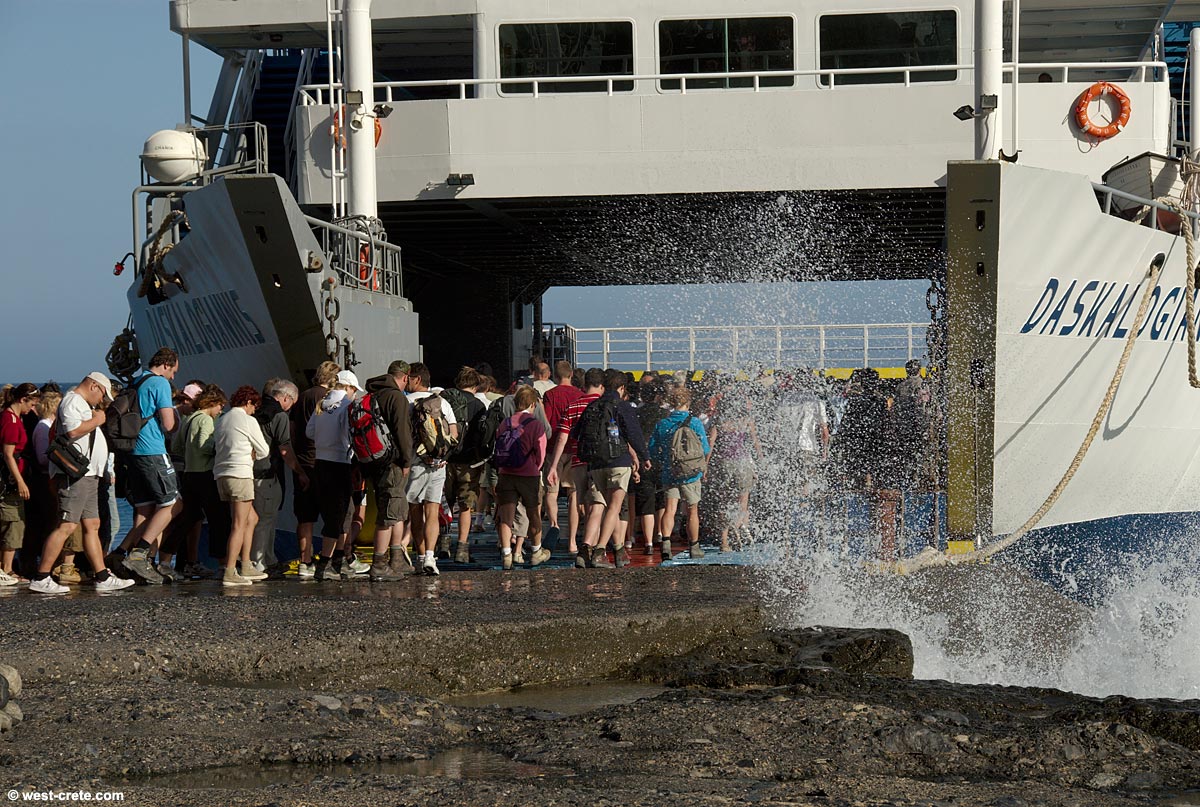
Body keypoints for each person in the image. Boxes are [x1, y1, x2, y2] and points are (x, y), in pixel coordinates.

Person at [31, 374, 134, 594]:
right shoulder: (72, 401)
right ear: (93, 385)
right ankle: (41, 576)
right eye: (102, 394)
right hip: (74, 475)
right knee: (67, 524)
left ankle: (102, 575)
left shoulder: (82, 404)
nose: (101, 400)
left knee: (92, 524)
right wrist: (98, 420)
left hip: (89, 476)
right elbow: (72, 430)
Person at [116, 347, 184, 585]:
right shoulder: (160, 384)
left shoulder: (137, 380)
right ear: (166, 365)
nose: (173, 377)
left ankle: (132, 559)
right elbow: (167, 424)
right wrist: (176, 422)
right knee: (173, 503)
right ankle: (140, 554)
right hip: (153, 450)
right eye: (173, 371)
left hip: (132, 452)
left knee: (145, 509)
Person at [162, 384, 228, 579]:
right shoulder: (206, 420)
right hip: (205, 475)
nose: (220, 411)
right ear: (213, 403)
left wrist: (190, 455)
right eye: (220, 406)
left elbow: (176, 446)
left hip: (189, 474)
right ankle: (223, 564)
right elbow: (204, 446)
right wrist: (219, 447)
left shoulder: (189, 419)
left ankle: (164, 560)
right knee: (219, 519)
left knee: (186, 520)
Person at [306, 370, 362, 581]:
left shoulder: (322, 404)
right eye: (354, 389)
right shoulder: (347, 406)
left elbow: (309, 432)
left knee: (340, 512)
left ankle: (336, 560)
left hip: (320, 462)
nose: (354, 394)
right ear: (347, 387)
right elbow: (347, 435)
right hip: (340, 463)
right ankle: (326, 564)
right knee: (338, 515)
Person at [361, 360, 415, 581]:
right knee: (388, 513)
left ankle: (396, 560)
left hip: (373, 460)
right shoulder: (396, 397)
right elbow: (403, 432)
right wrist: (406, 460)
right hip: (392, 463)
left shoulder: (372, 395)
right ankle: (379, 564)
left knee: (396, 508)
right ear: (405, 377)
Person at [544, 368, 605, 558]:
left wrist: (553, 465)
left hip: (557, 449)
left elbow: (550, 426)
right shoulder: (596, 403)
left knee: (552, 492)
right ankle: (577, 542)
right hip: (586, 455)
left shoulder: (556, 397)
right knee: (578, 498)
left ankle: (554, 525)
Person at [404, 362, 458, 576]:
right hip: (439, 464)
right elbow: (453, 433)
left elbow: (404, 436)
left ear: (417, 380)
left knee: (415, 512)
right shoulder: (442, 402)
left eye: (409, 378)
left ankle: (418, 557)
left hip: (416, 464)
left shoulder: (407, 402)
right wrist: (442, 456)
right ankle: (430, 557)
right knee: (432, 512)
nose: (407, 381)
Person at [213, 385, 270, 587]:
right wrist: (252, 454)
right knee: (238, 524)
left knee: (251, 518)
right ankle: (230, 571)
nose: (255, 410)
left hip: (221, 475)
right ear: (248, 403)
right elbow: (264, 450)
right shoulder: (247, 420)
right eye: (254, 406)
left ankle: (246, 564)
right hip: (240, 474)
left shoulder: (222, 419)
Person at [251, 378, 308, 577]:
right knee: (266, 519)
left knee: (259, 519)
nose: (291, 407)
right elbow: (285, 450)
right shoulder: (279, 416)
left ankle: (268, 558)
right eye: (292, 402)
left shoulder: (255, 409)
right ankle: (259, 563)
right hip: (266, 472)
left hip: (249, 472)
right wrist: (300, 472)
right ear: (286, 398)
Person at [650, 386, 712, 560]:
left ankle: (666, 544)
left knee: (669, 509)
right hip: (691, 473)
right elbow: (705, 448)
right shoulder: (695, 423)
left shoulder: (663, 423)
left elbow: (653, 449)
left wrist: (665, 461)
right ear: (688, 402)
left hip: (670, 472)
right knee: (692, 510)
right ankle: (694, 546)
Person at [290, 361, 340, 577]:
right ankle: (331, 558)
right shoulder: (329, 399)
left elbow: (293, 430)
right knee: (332, 514)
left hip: (301, 460)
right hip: (322, 461)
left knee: (305, 517)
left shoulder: (302, 396)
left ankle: (305, 561)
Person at [493, 386, 549, 569]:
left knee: (506, 517)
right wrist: (536, 468)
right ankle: (536, 551)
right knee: (533, 514)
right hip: (528, 475)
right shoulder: (535, 425)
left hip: (506, 474)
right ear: (533, 404)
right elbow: (541, 453)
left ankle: (507, 556)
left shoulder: (505, 423)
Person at [440, 366, 487, 565]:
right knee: (465, 506)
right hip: (468, 463)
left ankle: (442, 544)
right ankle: (462, 548)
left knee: (444, 504)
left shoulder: (445, 399)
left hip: (445, 460)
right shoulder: (478, 405)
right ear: (475, 385)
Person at [1, 383, 39, 585]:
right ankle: (5, 568)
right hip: (10, 480)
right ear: (22, 399)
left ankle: (7, 568)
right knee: (13, 522)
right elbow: (8, 454)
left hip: (14, 475)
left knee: (12, 522)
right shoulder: (10, 420)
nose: (32, 409)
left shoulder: (15, 418)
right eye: (31, 404)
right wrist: (20, 481)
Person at [541, 360, 582, 548]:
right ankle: (573, 541)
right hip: (574, 448)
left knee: (552, 491)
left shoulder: (550, 395)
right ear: (571, 374)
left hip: (553, 447)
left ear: (555, 376)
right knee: (573, 493)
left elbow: (547, 423)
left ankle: (554, 525)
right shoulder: (580, 395)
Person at [27, 389, 62, 579]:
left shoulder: (47, 426)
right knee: (48, 520)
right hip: (43, 478)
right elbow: (42, 458)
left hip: (47, 477)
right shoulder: (43, 427)